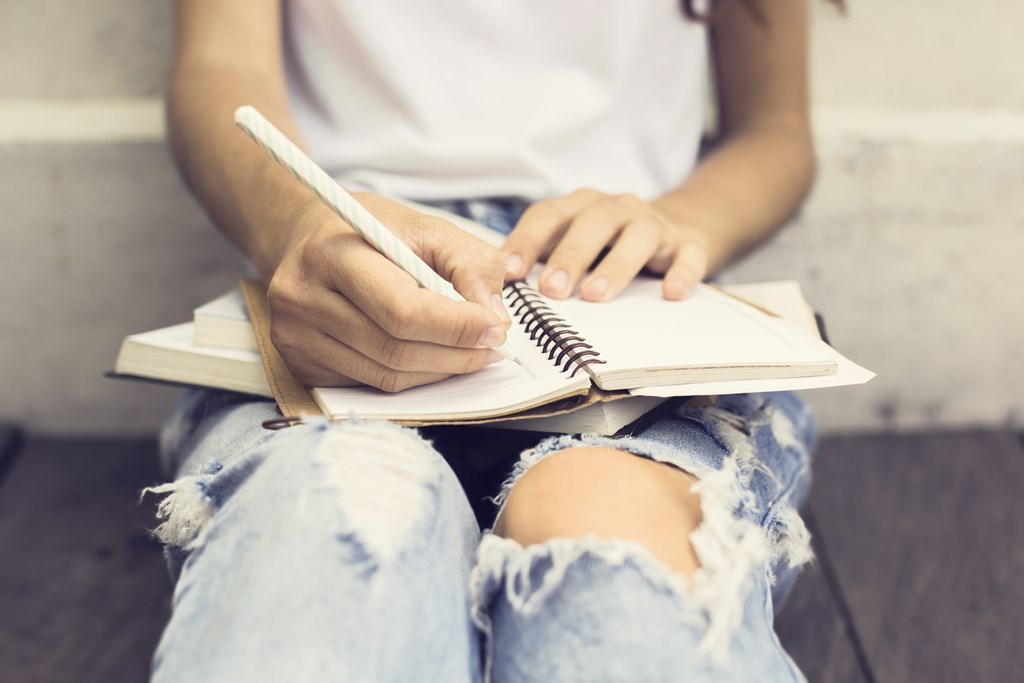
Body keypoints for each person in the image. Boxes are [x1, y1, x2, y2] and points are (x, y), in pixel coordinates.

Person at [146, 0, 839, 680]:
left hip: (629, 292)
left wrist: (677, 222)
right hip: (343, 277)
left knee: (604, 528)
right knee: (336, 502)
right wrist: (297, 224)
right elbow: (220, 67)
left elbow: (774, 129)